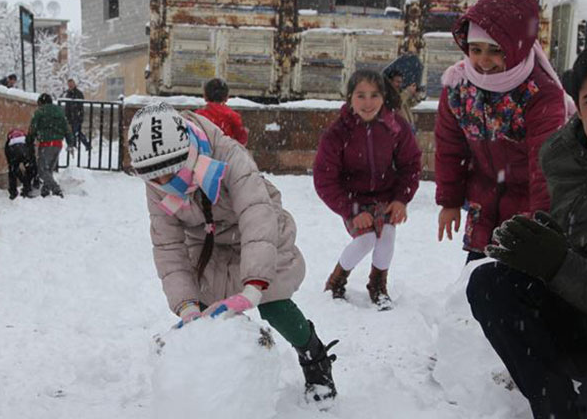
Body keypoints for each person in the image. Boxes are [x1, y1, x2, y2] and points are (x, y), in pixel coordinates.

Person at [127, 102, 338, 402]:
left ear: (186, 152)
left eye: (169, 173)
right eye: (153, 178)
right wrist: (186, 305)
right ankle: (204, 379)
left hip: (258, 227)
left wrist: (254, 286)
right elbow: (168, 245)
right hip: (205, 239)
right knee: (201, 308)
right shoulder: (158, 181)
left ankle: (314, 356)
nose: (163, 184)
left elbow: (256, 215)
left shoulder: (228, 156)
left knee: (272, 300)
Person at [467, 40, 587, 419]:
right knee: (491, 283)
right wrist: (541, 246)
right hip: (584, 309)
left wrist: (558, 263)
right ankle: (555, 409)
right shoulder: (563, 154)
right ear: (577, 103)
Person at [434, 0, 574, 262]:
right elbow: (450, 148)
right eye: (475, 49)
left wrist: (542, 223)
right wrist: (449, 201)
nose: (483, 61)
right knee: (475, 285)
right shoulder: (458, 86)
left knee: (514, 291)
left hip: (527, 210)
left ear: (516, 47)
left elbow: (546, 165)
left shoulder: (540, 94)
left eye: (495, 51)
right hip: (483, 206)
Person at [314, 70, 422, 310]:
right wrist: (351, 210)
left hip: (386, 197)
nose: (368, 102)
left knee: (388, 235)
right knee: (367, 239)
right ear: (350, 97)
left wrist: (401, 199)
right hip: (353, 200)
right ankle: (336, 281)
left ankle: (378, 286)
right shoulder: (338, 132)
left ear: (384, 97)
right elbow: (324, 179)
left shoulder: (395, 126)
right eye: (360, 95)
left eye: (374, 95)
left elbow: (411, 164)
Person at [29, 93, 75, 198]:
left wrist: (30, 140)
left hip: (46, 143)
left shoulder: (40, 111)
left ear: (41, 102)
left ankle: (56, 189)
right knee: (49, 169)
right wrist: (70, 143)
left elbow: (33, 127)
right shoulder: (59, 111)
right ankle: (45, 191)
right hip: (58, 144)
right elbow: (67, 128)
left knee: (42, 170)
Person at [195, 78, 248, 146]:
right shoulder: (233, 116)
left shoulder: (198, 115)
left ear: (205, 96)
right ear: (226, 97)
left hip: (203, 152)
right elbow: (241, 140)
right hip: (226, 153)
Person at [4, 128, 38, 199]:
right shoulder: (26, 138)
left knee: (13, 171)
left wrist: (14, 169)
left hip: (13, 151)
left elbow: (7, 155)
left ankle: (13, 192)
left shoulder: (9, 141)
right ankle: (27, 189)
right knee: (30, 169)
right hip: (25, 151)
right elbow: (32, 151)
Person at [62, 78, 91, 151]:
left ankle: (74, 145)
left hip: (76, 117)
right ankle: (85, 144)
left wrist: (80, 115)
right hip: (71, 117)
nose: (70, 86)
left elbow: (80, 106)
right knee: (76, 132)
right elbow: (67, 107)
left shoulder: (78, 93)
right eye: (69, 84)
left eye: (71, 84)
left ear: (74, 84)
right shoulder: (68, 94)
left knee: (75, 132)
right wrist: (67, 115)